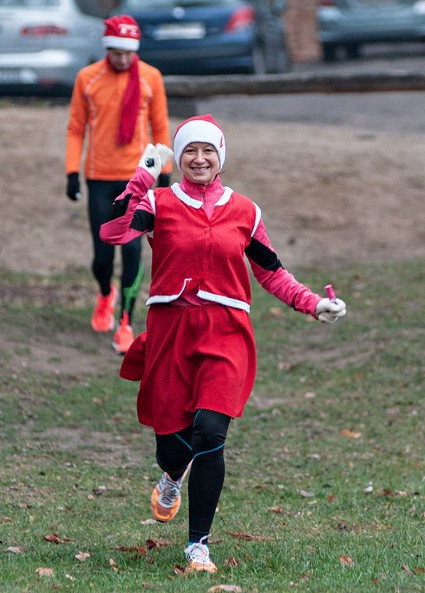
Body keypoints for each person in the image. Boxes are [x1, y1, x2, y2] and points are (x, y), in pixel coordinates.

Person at [99, 115, 347, 573]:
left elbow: (271, 271)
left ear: (221, 159)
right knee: (173, 447)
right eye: (189, 150)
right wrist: (143, 175)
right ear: (181, 156)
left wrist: (313, 304)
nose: (199, 158)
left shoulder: (245, 211)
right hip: (171, 332)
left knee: (211, 433)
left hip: (226, 333)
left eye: (208, 151)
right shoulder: (159, 201)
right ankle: (171, 474)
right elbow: (115, 232)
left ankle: (198, 547)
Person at [64, 14, 172, 355]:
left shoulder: (151, 78)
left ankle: (126, 321)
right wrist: (71, 172)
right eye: (116, 52)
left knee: (132, 253)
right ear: (107, 48)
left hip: (138, 179)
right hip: (100, 179)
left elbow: (160, 127)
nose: (123, 59)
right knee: (102, 257)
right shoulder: (88, 78)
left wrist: (164, 173)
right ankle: (104, 294)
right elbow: (76, 128)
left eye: (128, 53)